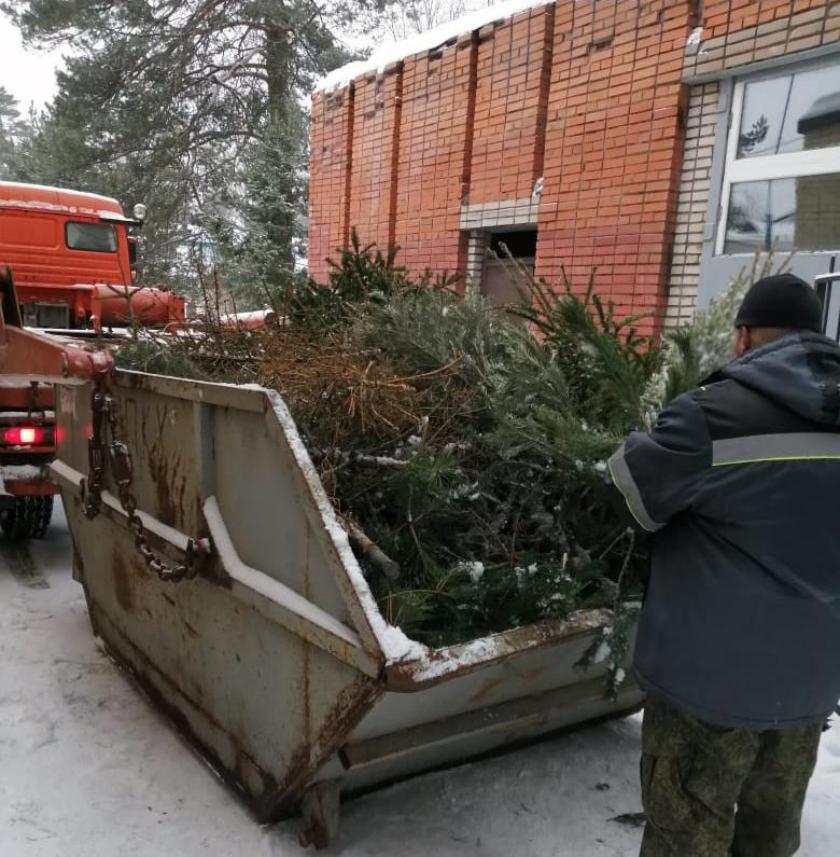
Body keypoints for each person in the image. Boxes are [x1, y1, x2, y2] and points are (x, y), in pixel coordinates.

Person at [607, 273, 840, 857]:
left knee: (686, 835)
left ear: (742, 336)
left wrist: (638, 441)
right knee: (769, 835)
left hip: (707, 688)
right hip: (810, 684)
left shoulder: (711, 417)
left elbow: (634, 500)